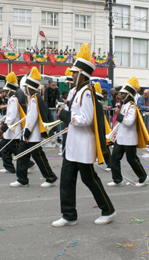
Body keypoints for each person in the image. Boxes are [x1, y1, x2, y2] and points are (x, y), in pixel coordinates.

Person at [53, 43, 115, 227]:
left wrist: (65, 115)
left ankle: (108, 210)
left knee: (90, 179)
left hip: (83, 146)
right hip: (72, 145)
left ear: (81, 74)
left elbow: (86, 119)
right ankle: (68, 215)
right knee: (66, 180)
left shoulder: (87, 92)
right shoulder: (74, 91)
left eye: (74, 72)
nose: (71, 75)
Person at [9, 67, 57, 188]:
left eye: (26, 87)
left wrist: (26, 133)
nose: (24, 89)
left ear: (30, 87)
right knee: (23, 157)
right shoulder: (34, 97)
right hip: (31, 134)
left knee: (39, 158)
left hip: (32, 135)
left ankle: (50, 177)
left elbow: (32, 118)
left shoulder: (35, 98)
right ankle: (22, 179)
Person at [107, 77, 149, 187]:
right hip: (121, 138)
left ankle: (143, 177)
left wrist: (119, 115)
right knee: (115, 159)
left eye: (122, 93)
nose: (119, 95)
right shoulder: (125, 105)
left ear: (128, 95)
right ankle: (117, 180)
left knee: (132, 160)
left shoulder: (132, 106)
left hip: (129, 139)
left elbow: (129, 122)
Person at [0, 72, 26, 174]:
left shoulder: (13, 99)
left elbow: (12, 116)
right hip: (10, 129)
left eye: (6, 90)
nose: (5, 92)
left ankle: (26, 164)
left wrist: (4, 127)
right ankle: (8, 167)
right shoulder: (12, 98)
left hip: (13, 129)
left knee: (14, 149)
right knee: (5, 148)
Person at [94, 82, 113, 172]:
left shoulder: (97, 105)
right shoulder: (97, 104)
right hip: (99, 127)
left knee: (104, 145)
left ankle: (110, 163)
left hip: (101, 127)